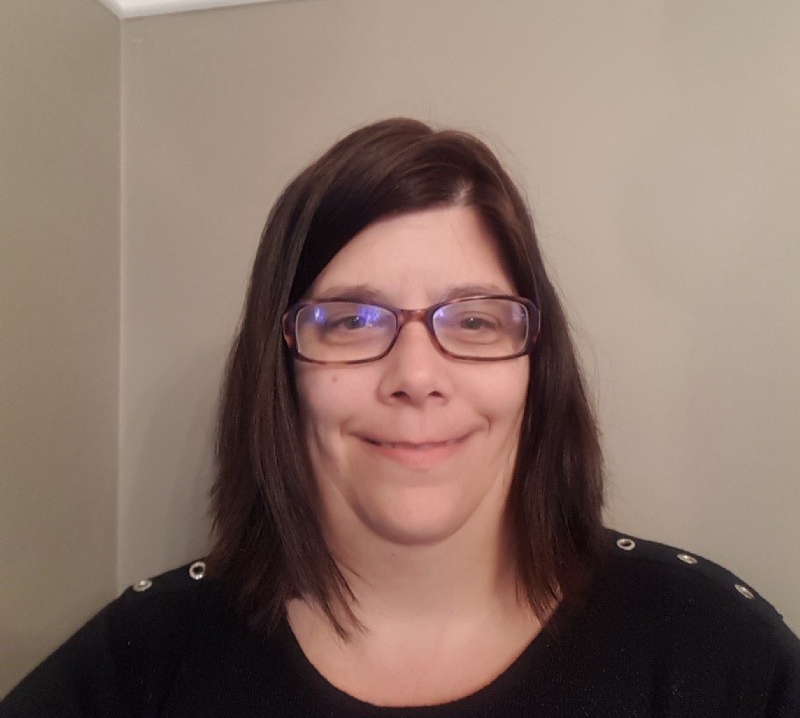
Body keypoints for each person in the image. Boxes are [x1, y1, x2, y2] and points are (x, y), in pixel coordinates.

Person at [3, 118, 798, 716]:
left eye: (475, 319)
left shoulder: (714, 651)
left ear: (536, 362)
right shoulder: (143, 662)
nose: (417, 377)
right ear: (281, 368)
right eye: (351, 320)